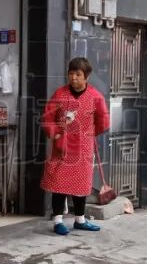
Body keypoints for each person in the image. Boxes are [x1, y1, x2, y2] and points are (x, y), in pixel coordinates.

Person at [40, 57, 110, 236]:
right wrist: (55, 133)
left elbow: (103, 121)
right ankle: (58, 221)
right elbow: (47, 117)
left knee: (81, 186)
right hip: (61, 148)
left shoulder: (95, 97)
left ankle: (80, 220)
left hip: (83, 149)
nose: (74, 78)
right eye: (71, 74)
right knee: (59, 185)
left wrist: (88, 134)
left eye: (78, 74)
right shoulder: (60, 94)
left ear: (87, 76)